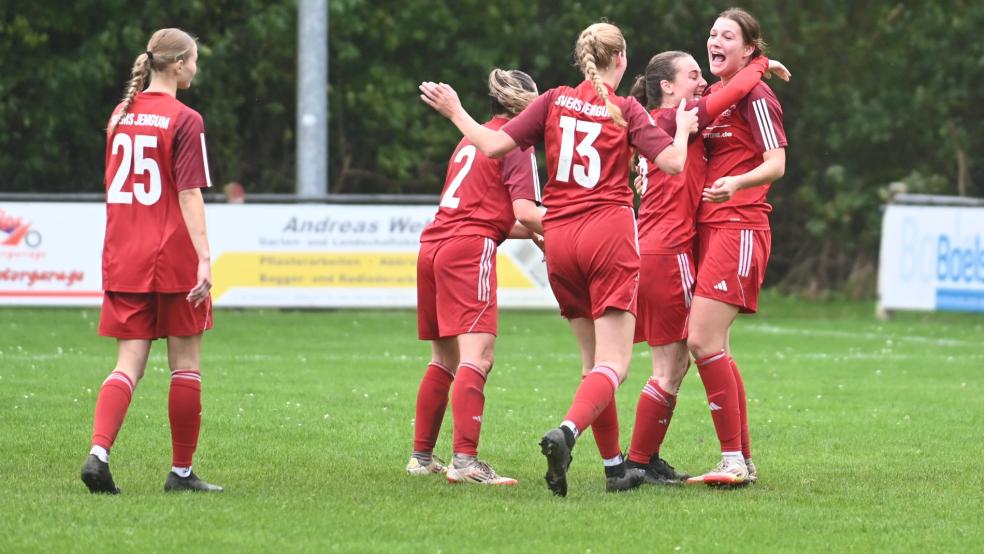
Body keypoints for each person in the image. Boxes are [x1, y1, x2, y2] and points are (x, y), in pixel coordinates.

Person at [420, 22, 697, 496]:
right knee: (616, 365)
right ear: (621, 59)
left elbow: (490, 145)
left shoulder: (550, 100)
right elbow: (671, 162)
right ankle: (566, 433)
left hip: (560, 240)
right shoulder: (626, 108)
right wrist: (686, 131)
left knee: (593, 365)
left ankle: (615, 468)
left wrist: (456, 111)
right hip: (606, 236)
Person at [625, 50, 789, 486]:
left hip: (654, 250)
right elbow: (732, 90)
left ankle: (644, 462)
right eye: (693, 74)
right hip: (671, 253)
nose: (701, 82)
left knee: (692, 355)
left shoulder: (655, 123)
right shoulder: (677, 118)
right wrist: (759, 63)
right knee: (679, 361)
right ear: (667, 86)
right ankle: (641, 462)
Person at [80, 28, 222, 494]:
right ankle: (181, 473)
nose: (196, 69)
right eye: (194, 60)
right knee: (185, 366)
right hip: (173, 257)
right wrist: (205, 257)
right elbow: (188, 193)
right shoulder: (186, 118)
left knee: (127, 365)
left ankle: (99, 452)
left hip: (125, 255)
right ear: (178, 65)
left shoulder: (120, 113)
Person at [407, 68, 545, 486]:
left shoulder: (472, 139)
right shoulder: (515, 145)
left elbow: (498, 215)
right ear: (525, 105)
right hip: (468, 251)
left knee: (443, 359)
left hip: (433, 248)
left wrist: (541, 236)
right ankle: (465, 463)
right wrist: (568, 228)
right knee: (478, 357)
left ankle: (421, 458)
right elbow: (523, 213)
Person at [685, 8, 788, 487]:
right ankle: (740, 461)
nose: (714, 41)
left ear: (749, 49)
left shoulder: (758, 97)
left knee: (701, 341)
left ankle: (732, 461)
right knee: (716, 346)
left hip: (740, 225)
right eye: (712, 34)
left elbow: (777, 163)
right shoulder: (714, 96)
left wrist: (738, 182)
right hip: (711, 227)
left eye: (727, 35)